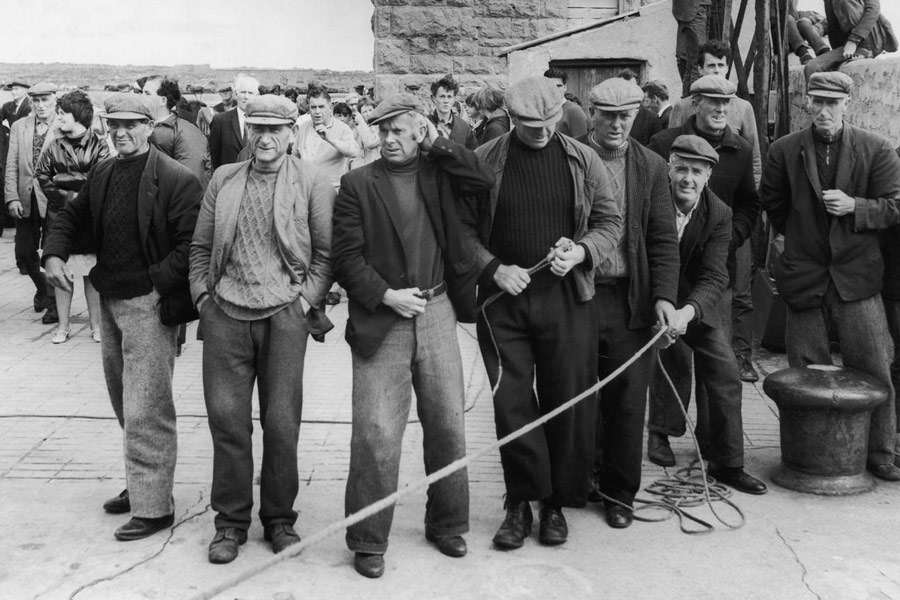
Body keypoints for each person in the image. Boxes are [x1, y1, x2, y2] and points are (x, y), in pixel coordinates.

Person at [333, 93, 495, 579]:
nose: (388, 139)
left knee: (448, 423)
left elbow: (481, 179)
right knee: (376, 433)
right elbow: (346, 259)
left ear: (417, 130)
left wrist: (438, 141)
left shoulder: (438, 171)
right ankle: (367, 538)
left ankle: (447, 524)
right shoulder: (356, 184)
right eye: (382, 131)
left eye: (399, 130)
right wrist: (386, 296)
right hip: (383, 319)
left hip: (438, 309)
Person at [460, 76, 621, 550]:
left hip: (566, 301)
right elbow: (461, 230)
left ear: (560, 114)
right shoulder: (485, 160)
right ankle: (519, 502)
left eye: (549, 122)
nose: (542, 132)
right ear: (511, 118)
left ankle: (554, 503)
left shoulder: (582, 157)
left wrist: (583, 251)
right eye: (530, 125)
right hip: (503, 304)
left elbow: (609, 221)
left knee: (566, 400)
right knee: (511, 404)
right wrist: (493, 268)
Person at [42, 93, 202, 540]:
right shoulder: (105, 170)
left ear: (150, 127)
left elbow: (191, 248)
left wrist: (153, 282)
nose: (121, 132)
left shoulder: (177, 179)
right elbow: (71, 217)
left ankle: (154, 507)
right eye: (114, 124)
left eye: (131, 124)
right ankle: (142, 483)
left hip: (149, 305)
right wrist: (53, 253)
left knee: (147, 406)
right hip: (110, 299)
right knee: (123, 401)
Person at [190, 94, 334, 564]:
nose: (266, 138)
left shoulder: (311, 180)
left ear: (292, 132)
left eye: (276, 129)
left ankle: (279, 520)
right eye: (257, 128)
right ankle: (230, 523)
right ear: (246, 130)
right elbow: (200, 248)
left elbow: (326, 254)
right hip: (226, 315)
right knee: (227, 423)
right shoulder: (224, 178)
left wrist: (305, 300)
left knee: (281, 423)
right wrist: (204, 301)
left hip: (284, 318)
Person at [761, 71, 900, 482]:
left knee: (874, 364)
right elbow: (774, 204)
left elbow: (894, 207)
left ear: (847, 105)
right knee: (804, 371)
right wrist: (800, 240)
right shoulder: (784, 150)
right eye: (818, 101)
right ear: (807, 103)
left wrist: (855, 206)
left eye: (833, 103)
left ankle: (880, 451)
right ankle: (807, 456)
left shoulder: (876, 149)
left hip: (857, 279)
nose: (824, 111)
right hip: (805, 275)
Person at [577, 78, 680, 527]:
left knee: (626, 399)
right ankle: (577, 482)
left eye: (627, 115)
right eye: (608, 114)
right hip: (576, 296)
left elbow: (662, 238)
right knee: (577, 394)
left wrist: (663, 297)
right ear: (591, 113)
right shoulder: (569, 154)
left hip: (628, 299)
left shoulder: (652, 166)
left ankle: (620, 493)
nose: (617, 124)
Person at [651, 135, 767, 494]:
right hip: (653, 295)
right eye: (681, 169)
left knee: (724, 368)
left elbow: (717, 275)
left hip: (697, 301)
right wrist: (661, 304)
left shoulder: (719, 212)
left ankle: (727, 460)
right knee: (668, 359)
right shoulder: (650, 202)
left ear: (708, 176)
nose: (688, 178)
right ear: (669, 169)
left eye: (696, 172)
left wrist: (687, 311)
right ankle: (661, 434)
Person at [651, 75, 760, 384]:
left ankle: (712, 432)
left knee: (717, 363)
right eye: (714, 102)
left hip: (714, 268)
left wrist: (728, 239)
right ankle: (663, 430)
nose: (721, 109)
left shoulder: (740, 148)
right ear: (695, 103)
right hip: (668, 267)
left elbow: (749, 205)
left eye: (726, 103)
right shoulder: (663, 143)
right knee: (671, 356)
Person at [35, 90, 110, 344]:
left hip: (90, 218)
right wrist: (70, 194)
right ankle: (63, 326)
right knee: (60, 271)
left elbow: (99, 178)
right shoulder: (54, 144)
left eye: (63, 113)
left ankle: (96, 326)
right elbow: (43, 176)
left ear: (77, 115)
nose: (59, 118)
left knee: (92, 272)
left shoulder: (99, 144)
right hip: (60, 217)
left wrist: (64, 179)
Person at [668, 40, 762, 185]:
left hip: (728, 185)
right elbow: (671, 152)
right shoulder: (683, 107)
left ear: (726, 68)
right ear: (700, 69)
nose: (717, 70)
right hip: (690, 185)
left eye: (721, 65)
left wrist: (749, 190)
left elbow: (754, 159)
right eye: (711, 65)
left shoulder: (743, 107)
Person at [5, 82, 60, 324]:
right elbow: (12, 165)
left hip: (54, 200)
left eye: (45, 100)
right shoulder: (20, 126)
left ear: (55, 100)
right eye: (36, 100)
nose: (40, 105)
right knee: (25, 253)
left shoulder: (64, 125)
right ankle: (43, 290)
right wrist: (12, 197)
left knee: (51, 253)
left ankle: (55, 305)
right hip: (26, 198)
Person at [143, 76, 210, 189]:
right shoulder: (141, 127)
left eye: (147, 93)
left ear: (163, 100)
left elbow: (190, 182)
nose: (140, 97)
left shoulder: (187, 132)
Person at [804, 0, 897, 79]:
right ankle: (819, 100)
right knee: (812, 67)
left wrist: (854, 40)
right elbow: (833, 25)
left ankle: (864, 50)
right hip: (847, 47)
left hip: (867, 42)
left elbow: (873, 9)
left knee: (813, 67)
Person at [292, 85, 360, 190]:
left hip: (332, 189)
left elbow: (353, 152)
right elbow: (295, 156)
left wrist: (331, 140)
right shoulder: (304, 127)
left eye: (321, 107)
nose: (317, 111)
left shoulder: (342, 128)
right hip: (306, 188)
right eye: (313, 107)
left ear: (330, 108)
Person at [209, 74, 259, 170]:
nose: (246, 97)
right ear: (235, 94)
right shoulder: (220, 121)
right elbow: (213, 157)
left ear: (257, 96)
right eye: (243, 92)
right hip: (229, 179)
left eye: (251, 93)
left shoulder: (263, 121)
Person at [672, 0, 711, 97]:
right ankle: (694, 102)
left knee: (689, 62)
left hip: (688, 9)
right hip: (694, 8)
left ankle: (688, 103)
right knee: (698, 62)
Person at [429, 73, 478, 150]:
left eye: (449, 97)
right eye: (442, 96)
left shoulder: (464, 127)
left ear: (454, 99)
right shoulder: (425, 123)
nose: (446, 101)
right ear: (433, 98)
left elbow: (474, 156)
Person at [543, 68, 590, 139]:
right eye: (550, 86)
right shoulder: (544, 109)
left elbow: (581, 145)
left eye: (558, 86)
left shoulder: (574, 111)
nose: (555, 90)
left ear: (565, 87)